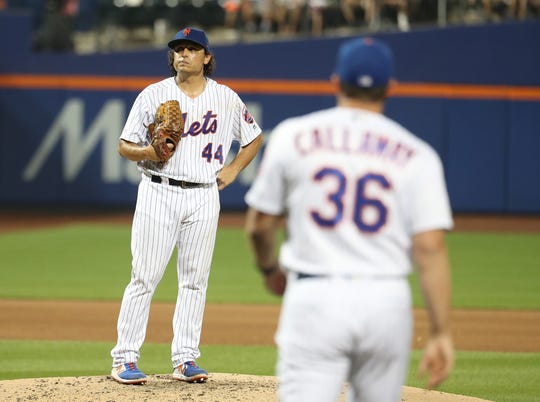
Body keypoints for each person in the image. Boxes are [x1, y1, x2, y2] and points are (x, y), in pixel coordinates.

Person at [245, 37, 454, 402]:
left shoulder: (292, 136)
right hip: (386, 300)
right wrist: (440, 331)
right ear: (391, 87)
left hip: (315, 296)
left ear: (335, 81)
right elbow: (430, 248)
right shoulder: (418, 155)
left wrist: (269, 269)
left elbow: (260, 224)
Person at [110, 26, 263, 385]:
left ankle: (185, 358)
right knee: (144, 276)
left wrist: (233, 169)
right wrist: (147, 152)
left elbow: (254, 137)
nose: (183, 54)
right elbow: (124, 145)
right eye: (178, 49)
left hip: (204, 194)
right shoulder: (153, 94)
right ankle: (124, 358)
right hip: (158, 191)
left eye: (192, 49)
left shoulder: (225, 98)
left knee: (195, 280)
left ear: (207, 57)